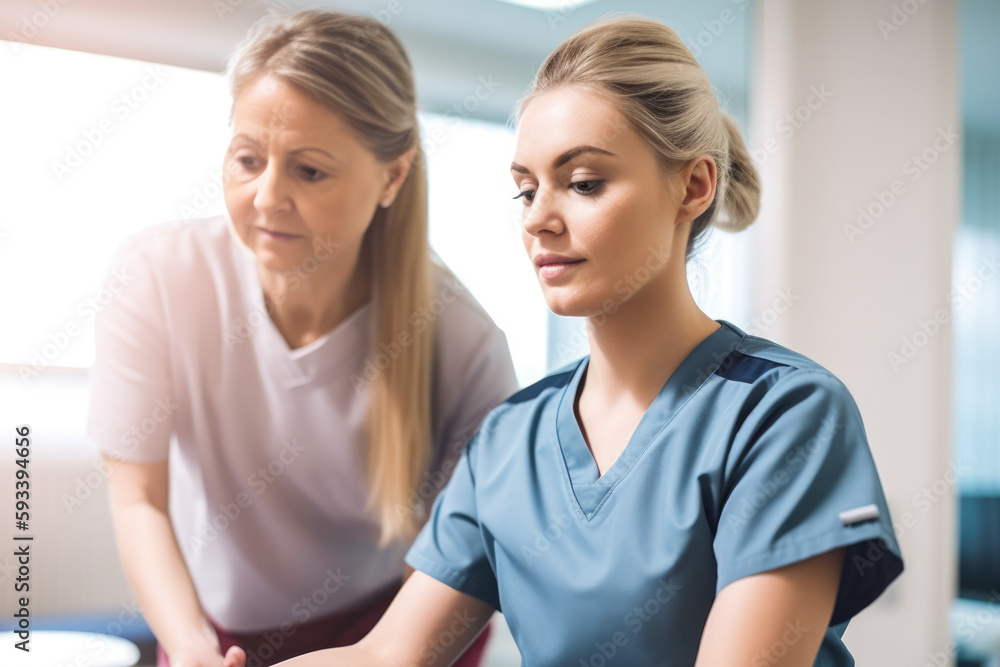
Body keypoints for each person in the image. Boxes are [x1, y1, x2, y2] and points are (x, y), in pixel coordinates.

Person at [231, 13, 905, 667]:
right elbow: (388, 653)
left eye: (583, 183)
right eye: (527, 191)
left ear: (694, 185)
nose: (540, 221)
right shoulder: (507, 442)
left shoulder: (784, 415)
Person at [86, 9, 518, 667]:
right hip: (214, 630)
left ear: (392, 177)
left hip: (391, 625)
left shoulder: (464, 341)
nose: (266, 198)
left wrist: (378, 656)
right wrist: (194, 647)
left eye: (309, 171)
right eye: (248, 159)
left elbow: (459, 564)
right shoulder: (156, 278)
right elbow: (138, 499)